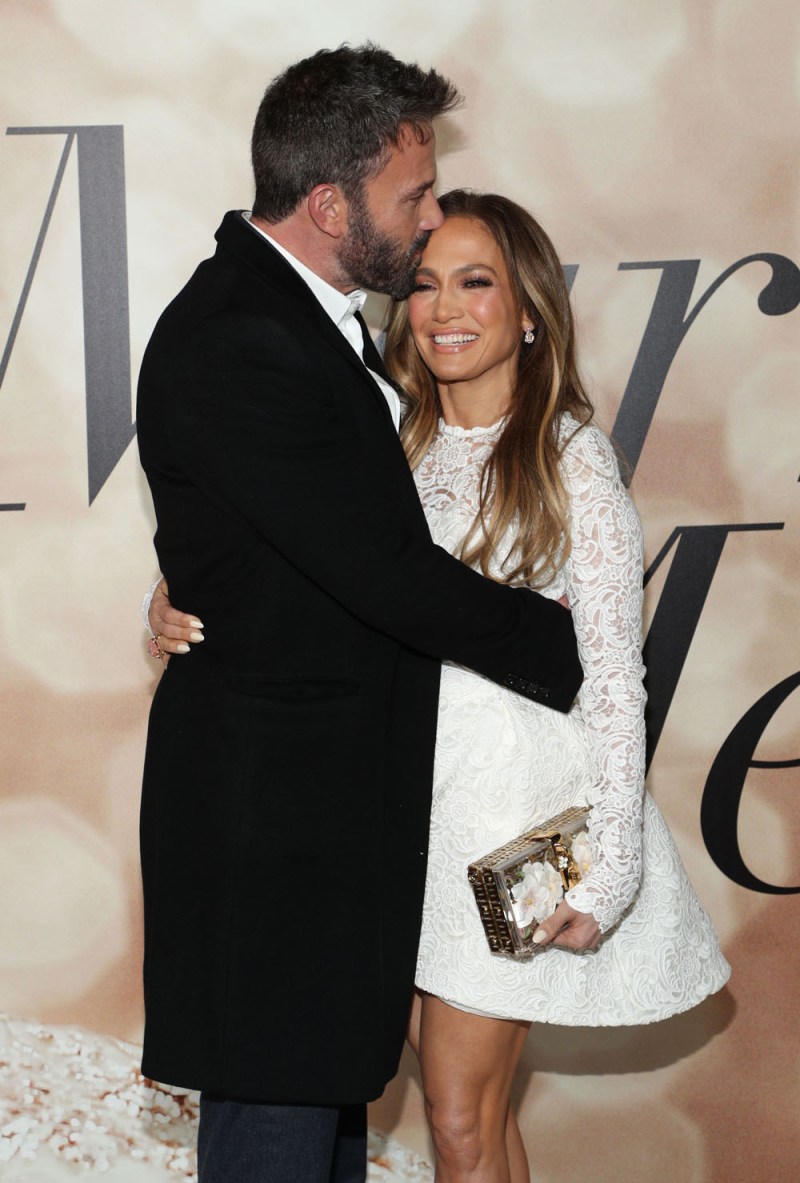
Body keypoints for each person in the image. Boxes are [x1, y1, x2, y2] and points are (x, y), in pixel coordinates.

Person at [151, 190, 730, 1183]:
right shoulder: (382, 440)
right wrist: (178, 591)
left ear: (528, 308)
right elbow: (299, 554)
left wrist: (614, 865)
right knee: (470, 1112)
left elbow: (610, 679)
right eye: (421, 282)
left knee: (459, 1119)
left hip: (508, 836)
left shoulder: (570, 462)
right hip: (386, 819)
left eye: (475, 281)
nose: (444, 307)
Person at [136, 46, 584, 1183]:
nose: (430, 223)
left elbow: (285, 540)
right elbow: (379, 568)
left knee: (316, 1127)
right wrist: (574, 645)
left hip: (327, 827)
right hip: (276, 838)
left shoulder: (310, 323)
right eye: (413, 198)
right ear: (330, 204)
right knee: (277, 1136)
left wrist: (201, 574)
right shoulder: (242, 334)